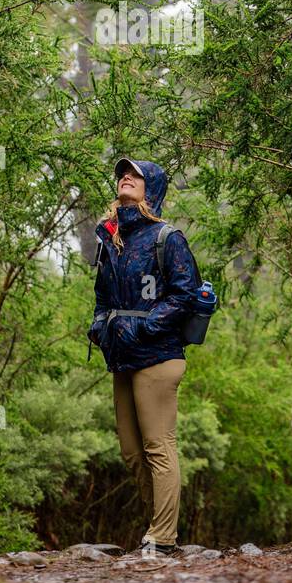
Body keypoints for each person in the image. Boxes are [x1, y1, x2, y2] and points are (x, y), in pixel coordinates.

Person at [87, 156, 200, 556]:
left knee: (158, 445)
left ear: (151, 187)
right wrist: (100, 325)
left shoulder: (166, 238)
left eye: (134, 175)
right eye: (122, 174)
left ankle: (163, 537)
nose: (126, 178)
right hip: (122, 354)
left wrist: (144, 328)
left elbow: (185, 294)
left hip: (159, 354)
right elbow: (103, 295)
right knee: (133, 453)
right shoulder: (111, 237)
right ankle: (155, 528)